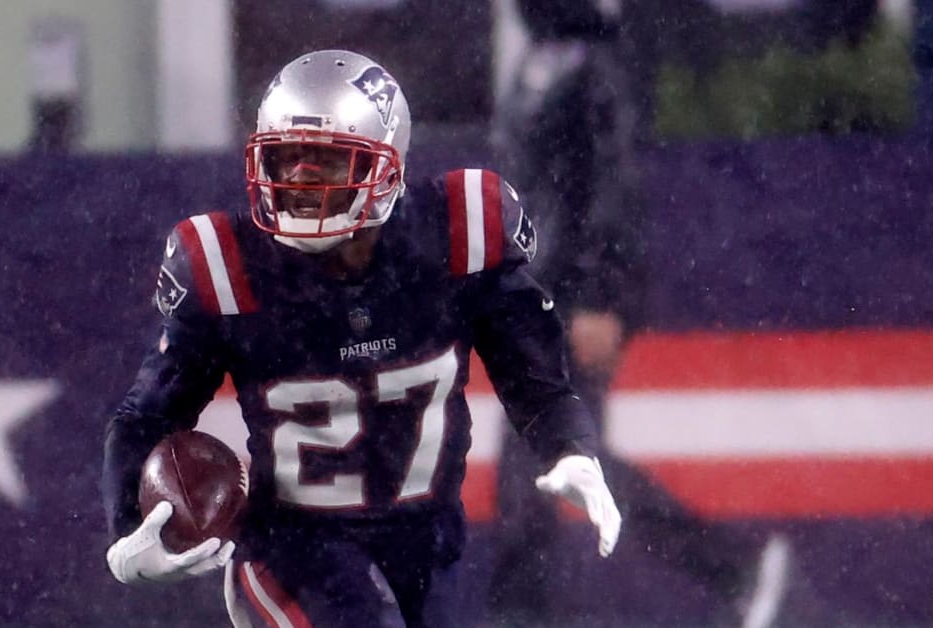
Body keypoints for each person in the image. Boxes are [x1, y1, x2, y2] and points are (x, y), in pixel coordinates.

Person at [100, 49, 622, 628]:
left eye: (324, 163)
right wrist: (127, 525)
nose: (299, 182)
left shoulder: (455, 236)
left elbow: (537, 383)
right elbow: (146, 417)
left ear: (387, 168)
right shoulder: (231, 266)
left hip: (428, 544)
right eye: (286, 160)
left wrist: (571, 449)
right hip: (294, 549)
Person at [485, 2, 792, 628]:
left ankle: (726, 564)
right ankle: (728, 565)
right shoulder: (540, 60)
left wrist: (600, 295)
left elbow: (611, 187)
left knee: (545, 463)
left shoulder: (595, 65)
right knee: (546, 463)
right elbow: (532, 188)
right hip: (540, 292)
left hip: (571, 296)